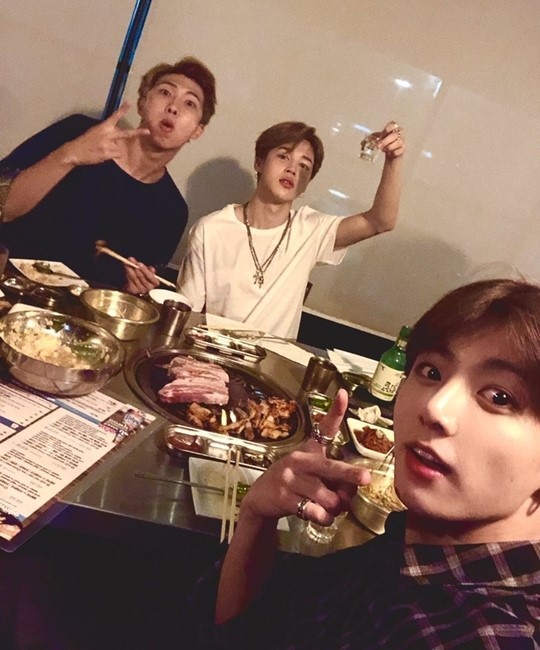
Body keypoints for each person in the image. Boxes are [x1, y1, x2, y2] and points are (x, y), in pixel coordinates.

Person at [187, 279, 540, 648]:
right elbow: (253, 629)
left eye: (499, 397)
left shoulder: (481, 636)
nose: (435, 408)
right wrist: (257, 517)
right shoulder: (416, 551)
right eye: (432, 372)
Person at [0, 56, 217, 294]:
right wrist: (69, 155)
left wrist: (132, 288)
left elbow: (116, 297)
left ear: (197, 130)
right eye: (165, 92)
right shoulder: (80, 132)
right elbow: (5, 208)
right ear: (142, 103)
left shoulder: (171, 211)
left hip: (70, 313)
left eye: (190, 103)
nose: (173, 107)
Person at [176, 120, 405, 338]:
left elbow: (381, 221)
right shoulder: (211, 229)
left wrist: (393, 160)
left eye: (304, 165)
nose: (292, 169)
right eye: (283, 156)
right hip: (213, 356)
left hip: (273, 362)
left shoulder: (310, 229)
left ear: (306, 183)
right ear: (259, 162)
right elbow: (186, 312)